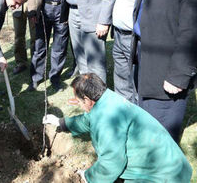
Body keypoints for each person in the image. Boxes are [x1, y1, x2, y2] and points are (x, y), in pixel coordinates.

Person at [43, 73, 192, 182]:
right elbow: (88, 119)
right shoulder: (107, 99)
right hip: (172, 166)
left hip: (159, 177)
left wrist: (88, 176)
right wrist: (61, 123)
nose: (80, 106)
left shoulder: (107, 120)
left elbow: (112, 162)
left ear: (87, 100)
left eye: (79, 102)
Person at [132, 0, 197, 143]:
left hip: (168, 76)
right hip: (147, 60)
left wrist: (179, 75)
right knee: (146, 129)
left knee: (161, 141)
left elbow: (192, 31)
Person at [111, 0, 149, 103]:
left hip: (135, 38)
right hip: (118, 35)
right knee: (120, 78)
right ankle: (123, 111)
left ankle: (137, 114)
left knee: (135, 80)